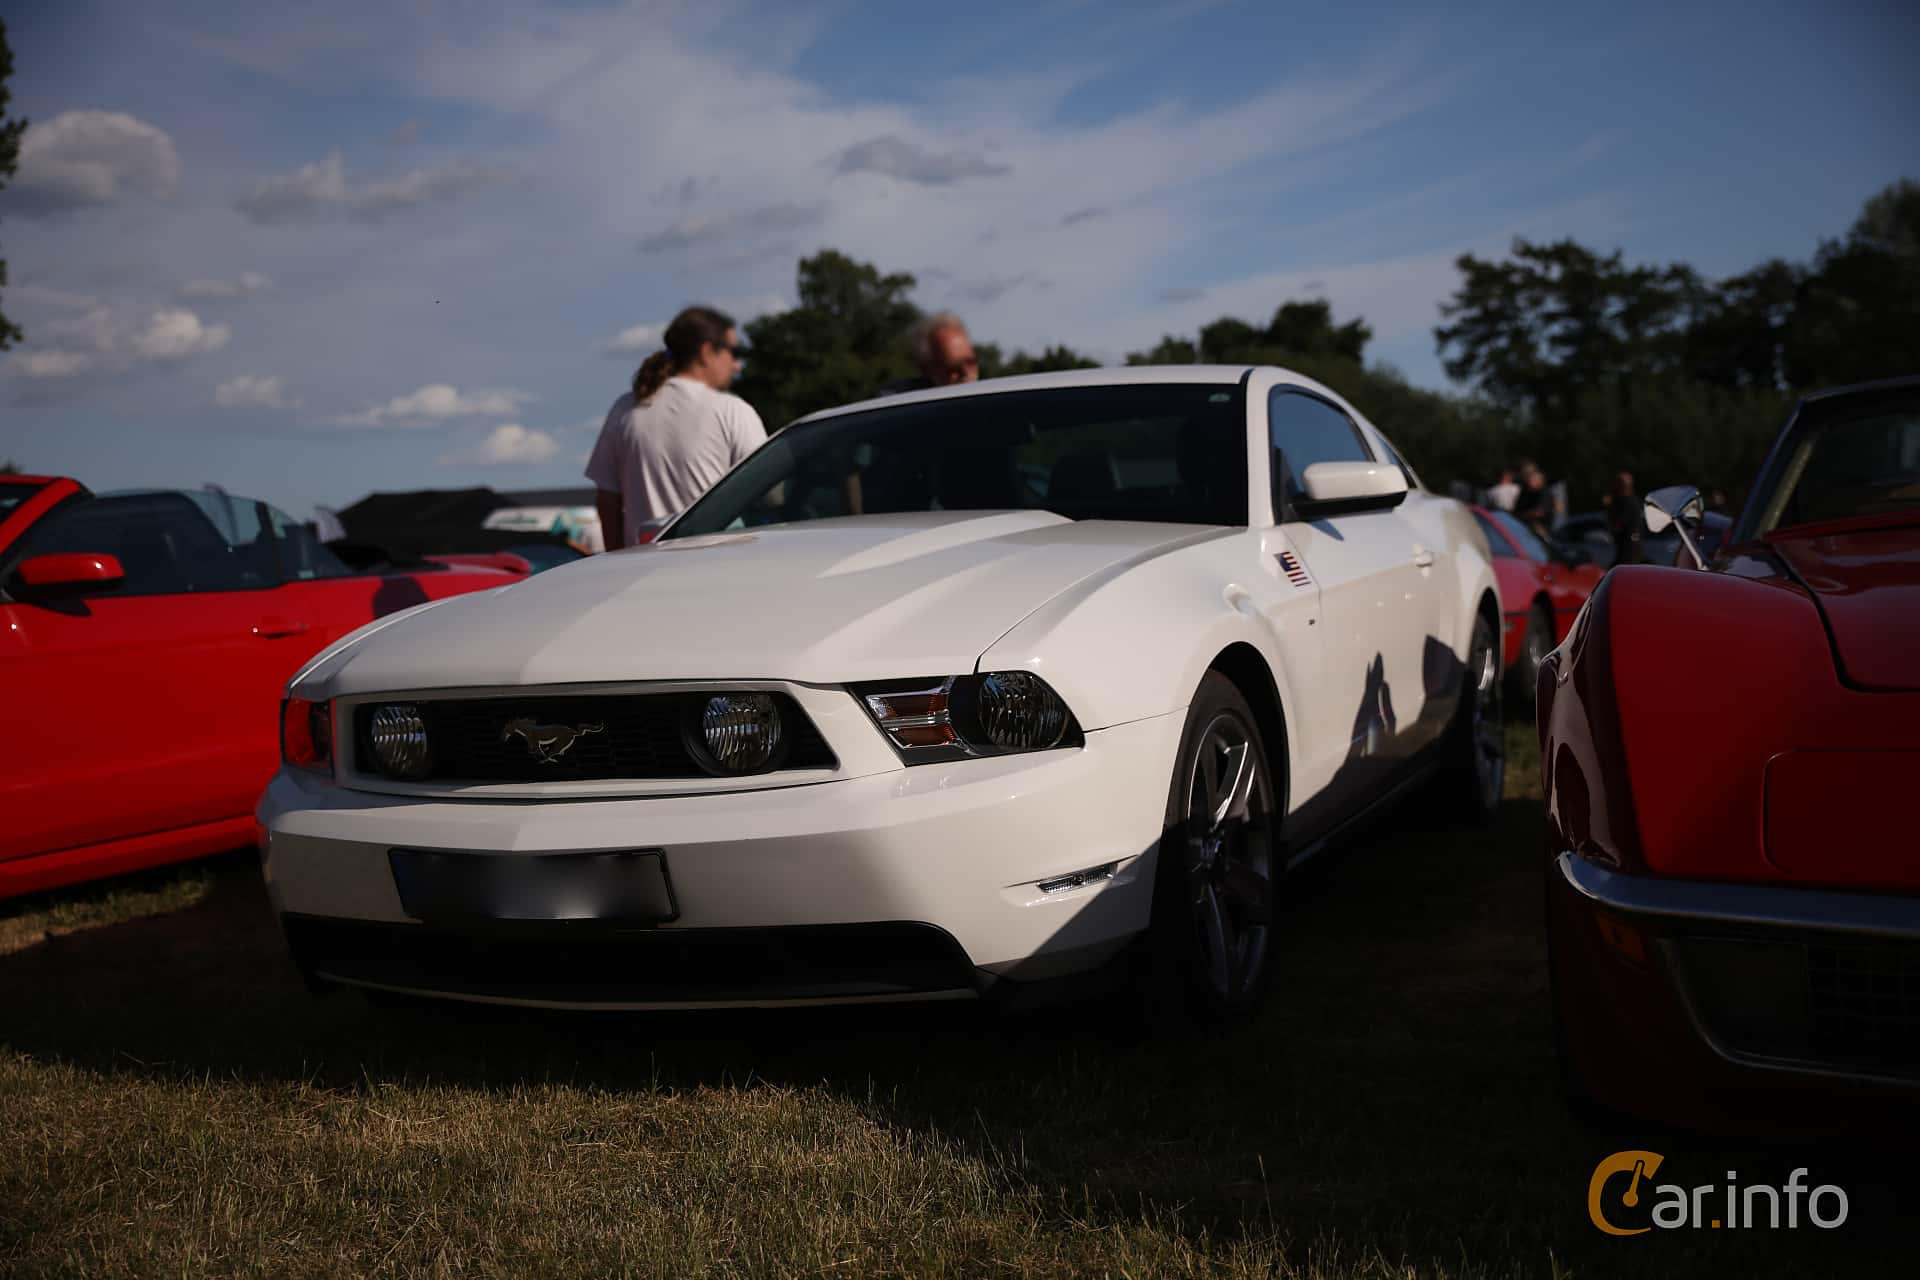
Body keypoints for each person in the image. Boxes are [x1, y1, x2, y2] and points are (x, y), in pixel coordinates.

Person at [586, 306, 764, 550]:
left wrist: (617, 560)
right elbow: (769, 496)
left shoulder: (624, 410)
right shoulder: (732, 411)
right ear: (706, 352)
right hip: (718, 567)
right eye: (734, 352)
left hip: (640, 570)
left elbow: (607, 501)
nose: (737, 365)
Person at [878, 311, 979, 395]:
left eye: (971, 362)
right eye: (954, 368)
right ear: (926, 369)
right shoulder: (896, 403)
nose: (965, 372)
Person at [1603, 469, 1640, 565]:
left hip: (1628, 547)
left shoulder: (1626, 503)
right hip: (1630, 546)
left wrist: (1609, 507)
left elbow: (1619, 523)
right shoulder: (1631, 501)